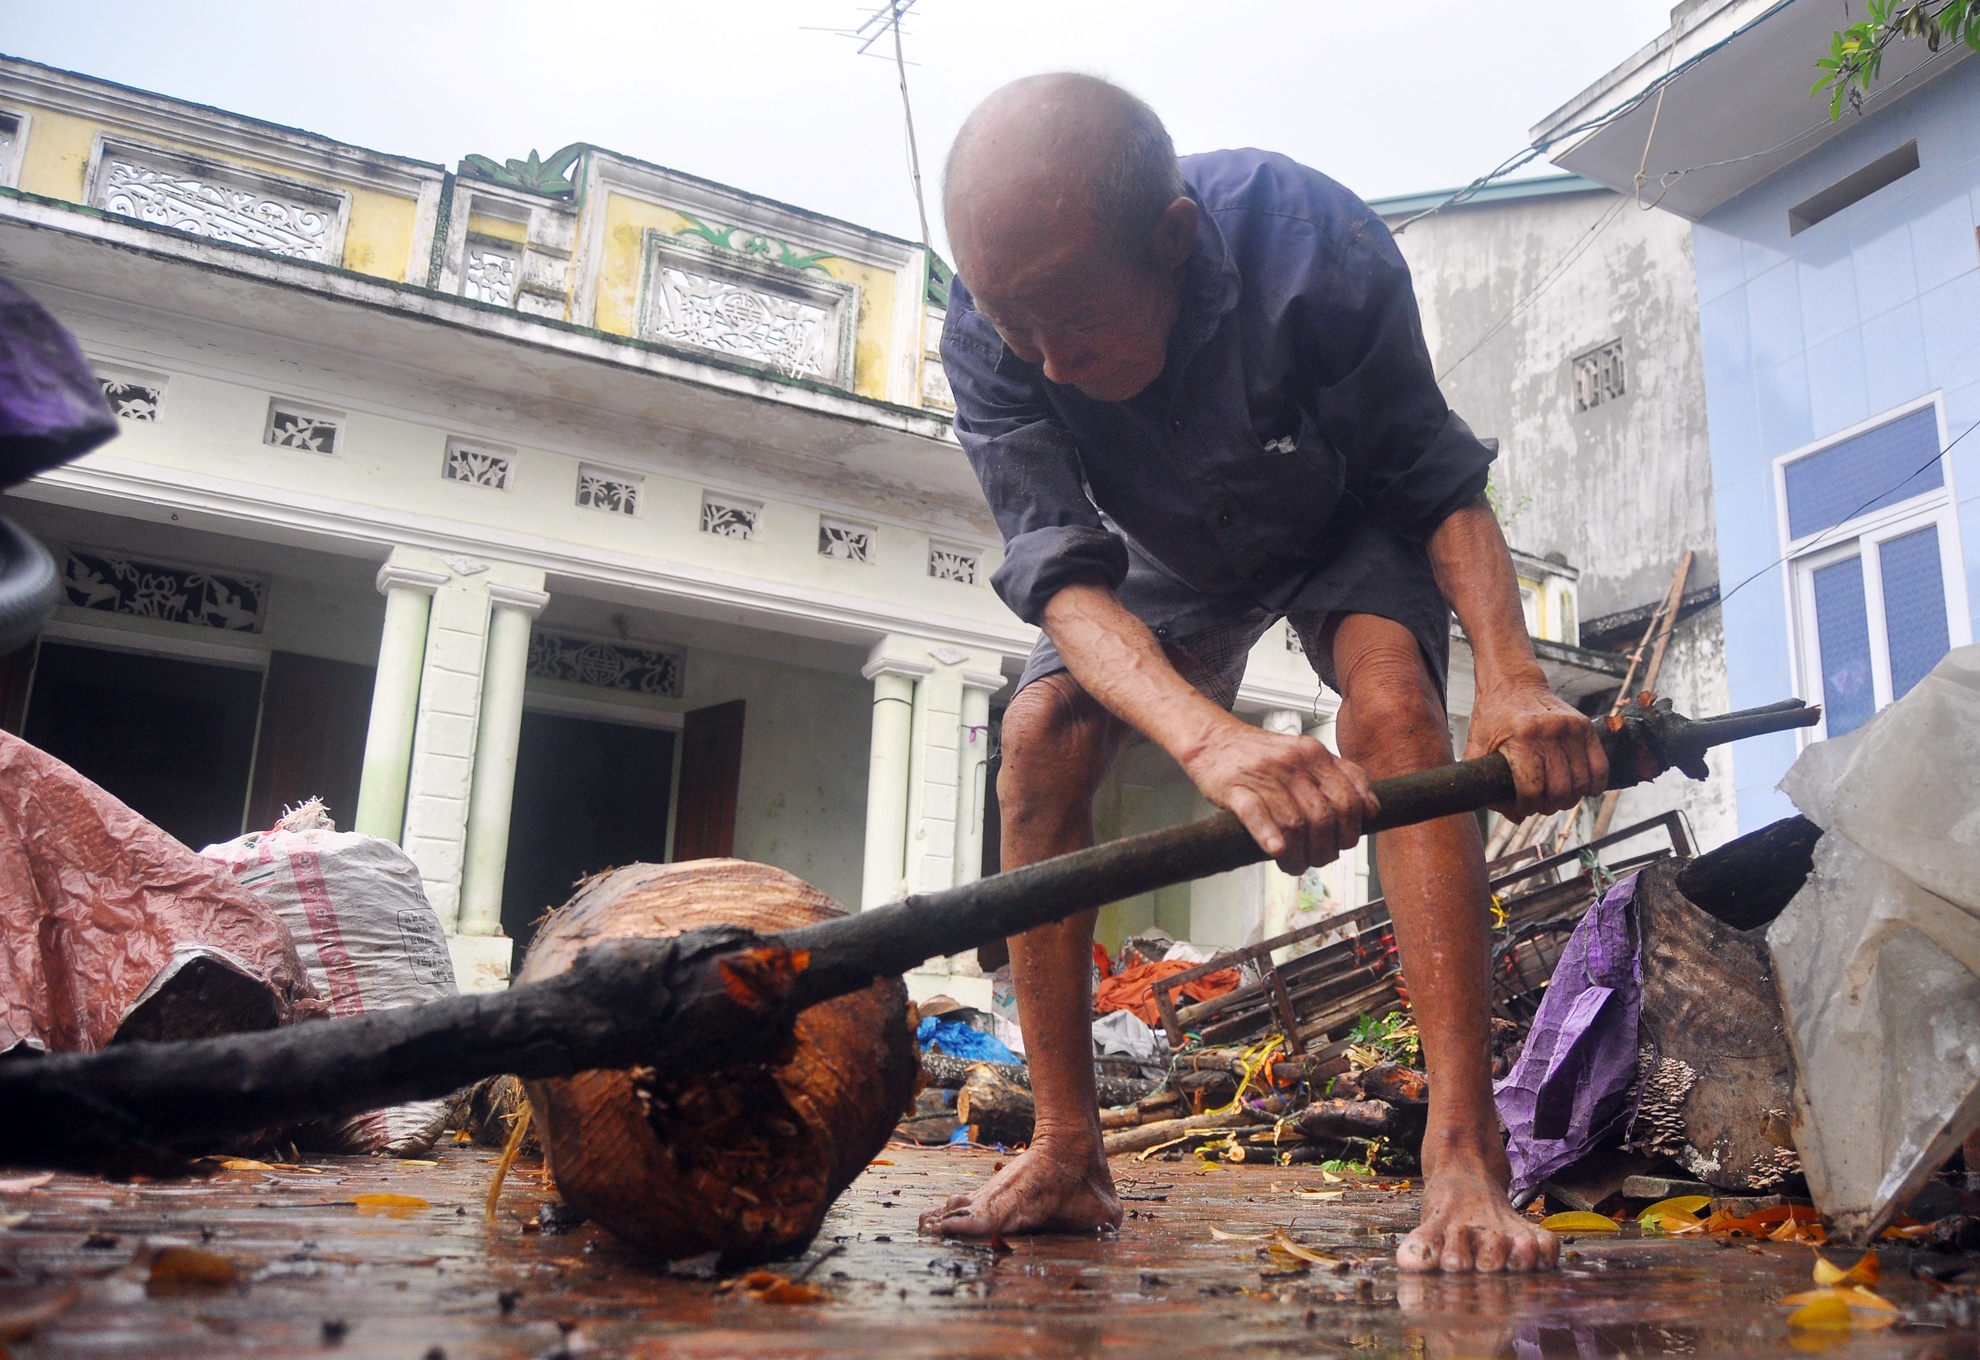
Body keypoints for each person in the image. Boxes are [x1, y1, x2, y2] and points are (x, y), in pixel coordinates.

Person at [917, 74, 1607, 1274]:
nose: (1049, 361)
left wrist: (1510, 673)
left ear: (1174, 242)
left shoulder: (1313, 244)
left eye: (1074, 321)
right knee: (1038, 743)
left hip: (1338, 512)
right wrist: (1212, 741)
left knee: (1396, 711)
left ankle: (1463, 1156)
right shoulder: (996, 333)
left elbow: (1430, 475)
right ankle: (1070, 1146)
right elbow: (1065, 583)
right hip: (1161, 552)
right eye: (1012, 325)